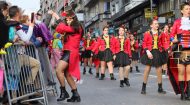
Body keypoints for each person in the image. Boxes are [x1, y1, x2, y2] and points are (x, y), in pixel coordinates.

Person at [49, 5, 83, 102]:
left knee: (58, 70)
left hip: (71, 52)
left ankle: (64, 92)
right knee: (67, 74)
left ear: (73, 18)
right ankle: (76, 95)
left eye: (69, 20)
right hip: (68, 51)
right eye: (66, 20)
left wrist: (56, 16)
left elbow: (62, 28)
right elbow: (59, 30)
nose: (67, 21)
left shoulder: (77, 27)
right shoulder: (71, 27)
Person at [169, 2, 190, 100]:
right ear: (181, 11)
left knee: (189, 71)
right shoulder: (177, 22)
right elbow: (171, 36)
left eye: (189, 9)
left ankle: (188, 93)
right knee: (181, 71)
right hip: (180, 49)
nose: (188, 10)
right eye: (186, 9)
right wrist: (174, 40)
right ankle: (182, 93)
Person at [140, 17, 166, 94]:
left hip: (158, 52)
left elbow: (163, 42)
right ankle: (143, 88)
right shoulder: (147, 34)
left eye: (157, 24)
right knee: (147, 69)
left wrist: (167, 48)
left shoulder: (161, 33)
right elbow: (144, 43)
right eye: (155, 24)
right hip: (149, 52)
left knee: (159, 70)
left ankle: (160, 88)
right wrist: (147, 51)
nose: (157, 25)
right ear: (151, 25)